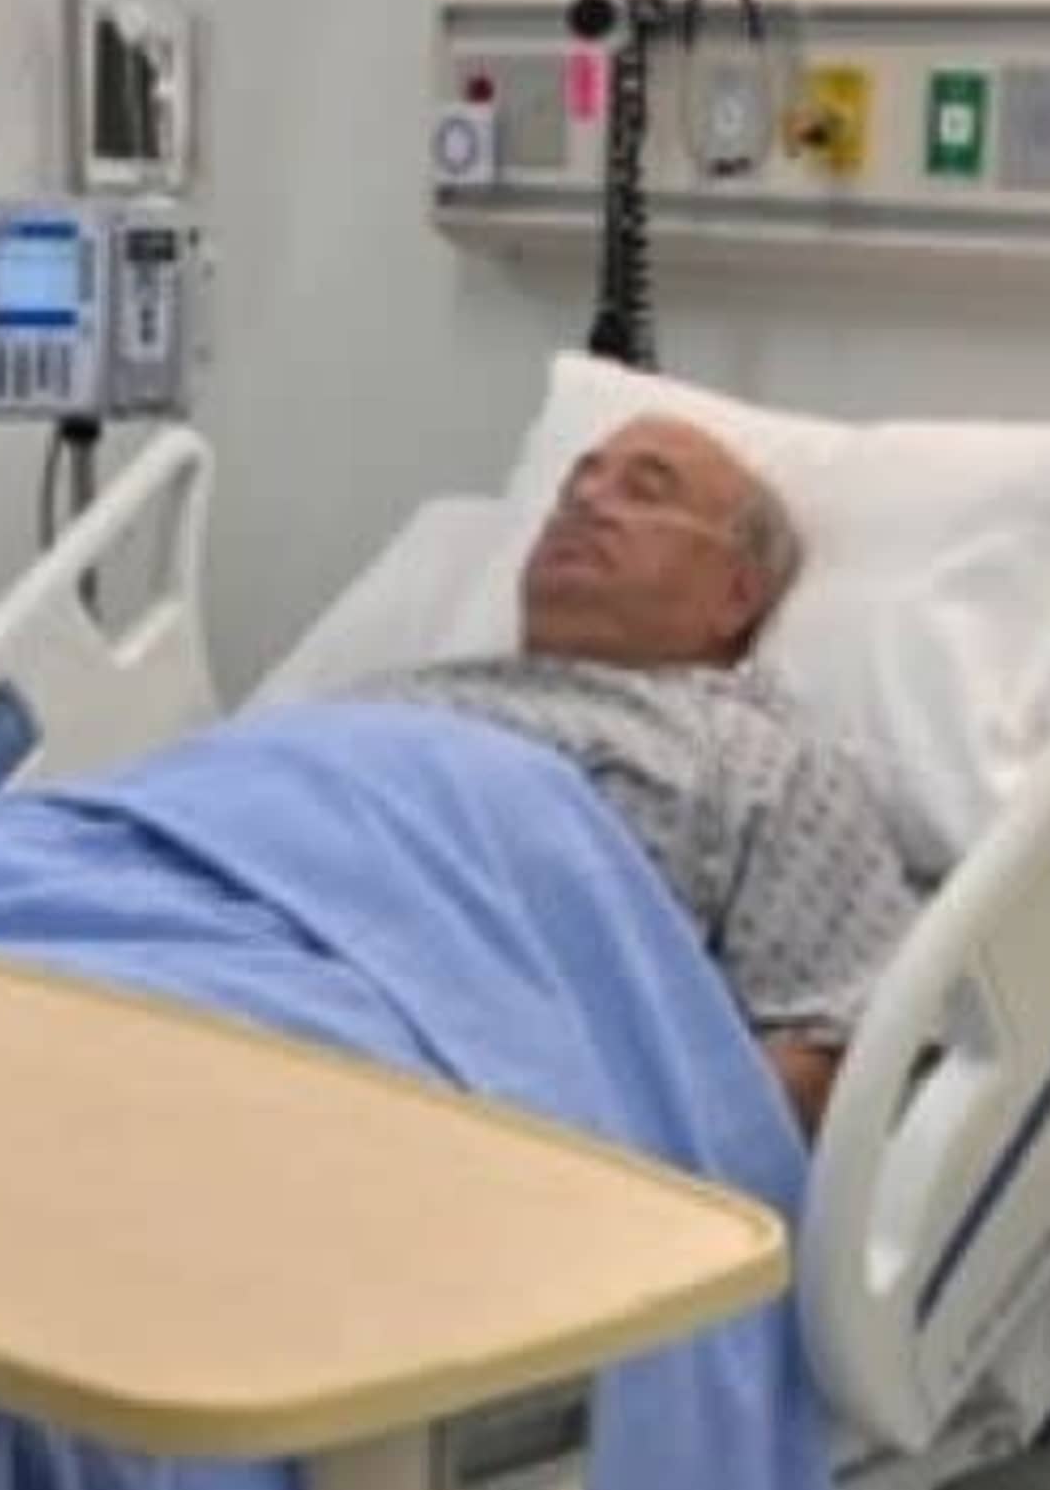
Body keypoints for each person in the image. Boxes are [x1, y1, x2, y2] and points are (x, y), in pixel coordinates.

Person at [380, 414, 915, 1129]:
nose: (586, 502)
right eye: (576, 486)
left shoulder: (753, 756)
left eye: (646, 491)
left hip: (419, 1078)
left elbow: (833, 1048)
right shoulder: (397, 692)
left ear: (734, 595)